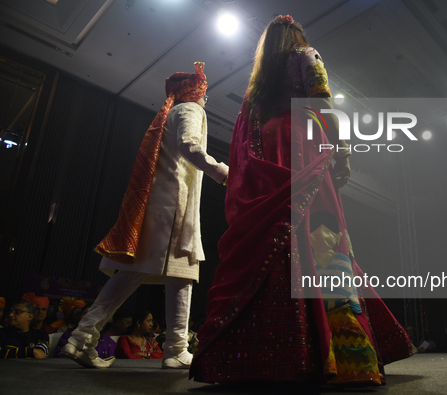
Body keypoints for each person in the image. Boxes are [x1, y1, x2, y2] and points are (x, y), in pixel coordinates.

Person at [189, 15, 413, 386]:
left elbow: (245, 139)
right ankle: (337, 350)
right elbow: (322, 104)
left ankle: (262, 352)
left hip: (271, 153)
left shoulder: (256, 87)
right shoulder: (307, 56)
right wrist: (342, 149)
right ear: (297, 38)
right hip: (303, 144)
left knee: (274, 236)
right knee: (318, 233)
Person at [62, 62, 228, 369]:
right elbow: (190, 147)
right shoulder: (191, 111)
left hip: (156, 206)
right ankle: (176, 348)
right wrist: (224, 172)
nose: (206, 99)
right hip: (175, 206)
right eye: (204, 93)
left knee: (131, 273)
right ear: (195, 93)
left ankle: (80, 337)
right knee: (183, 269)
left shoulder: (168, 114)